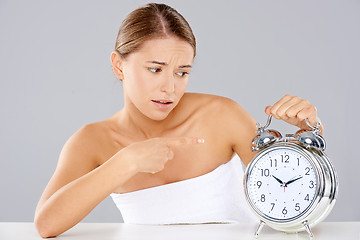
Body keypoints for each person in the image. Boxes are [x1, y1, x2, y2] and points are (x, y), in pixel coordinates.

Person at [34, 3, 324, 238]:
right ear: (118, 65)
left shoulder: (221, 115)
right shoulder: (92, 140)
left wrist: (310, 139)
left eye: (182, 72)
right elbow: (47, 225)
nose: (170, 88)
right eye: (155, 69)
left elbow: (295, 202)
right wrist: (126, 162)